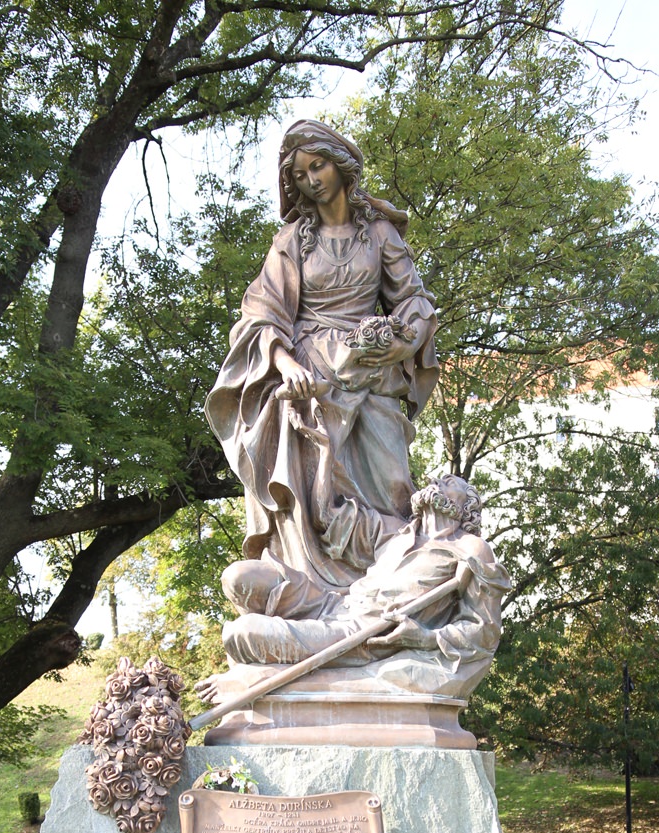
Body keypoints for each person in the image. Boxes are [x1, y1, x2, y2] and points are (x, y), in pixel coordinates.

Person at [205, 120, 438, 590]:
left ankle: (395, 588)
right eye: (300, 174)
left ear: (340, 165)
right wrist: (285, 363)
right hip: (311, 376)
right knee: (313, 491)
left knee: (392, 485)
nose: (311, 180)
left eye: (318, 166)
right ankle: (314, 589)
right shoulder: (292, 241)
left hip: (370, 369)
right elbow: (262, 313)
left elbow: (412, 298)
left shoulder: (380, 234)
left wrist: (403, 340)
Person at [199, 476, 511, 701]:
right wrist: (324, 448)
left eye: (451, 483)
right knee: (239, 577)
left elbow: (484, 630)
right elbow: (330, 518)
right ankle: (260, 672)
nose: (439, 481)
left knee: (241, 634)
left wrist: (425, 637)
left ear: (467, 507)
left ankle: (258, 678)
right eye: (440, 479)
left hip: (360, 632)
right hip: (332, 604)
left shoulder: (471, 548)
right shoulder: (398, 531)